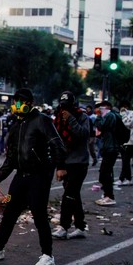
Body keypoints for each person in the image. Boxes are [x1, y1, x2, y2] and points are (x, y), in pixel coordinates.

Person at [0, 88, 67, 265]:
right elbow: (11, 158)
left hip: (39, 177)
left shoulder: (42, 120)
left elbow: (58, 145)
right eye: (15, 101)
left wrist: (60, 166)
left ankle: (48, 256)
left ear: (30, 103)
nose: (17, 104)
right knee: (9, 213)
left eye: (21, 101)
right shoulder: (17, 126)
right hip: (20, 177)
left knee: (39, 215)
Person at [52, 91, 91, 239]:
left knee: (69, 195)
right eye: (63, 107)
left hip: (79, 163)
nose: (64, 110)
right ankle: (80, 226)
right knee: (73, 195)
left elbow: (84, 135)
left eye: (67, 107)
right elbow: (58, 143)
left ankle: (64, 226)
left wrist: (72, 120)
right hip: (66, 162)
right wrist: (59, 166)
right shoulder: (58, 120)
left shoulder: (82, 117)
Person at [93, 100, 119, 206]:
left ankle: (109, 196)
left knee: (105, 173)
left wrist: (99, 116)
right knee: (105, 172)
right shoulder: (110, 116)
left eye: (102, 108)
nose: (100, 110)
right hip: (108, 147)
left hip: (111, 148)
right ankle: (107, 194)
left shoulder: (110, 116)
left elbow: (100, 126)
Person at [116, 101, 133, 187]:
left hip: (131, 141)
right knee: (125, 160)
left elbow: (128, 123)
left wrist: (123, 113)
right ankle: (126, 179)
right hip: (124, 141)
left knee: (125, 160)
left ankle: (124, 179)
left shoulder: (132, 113)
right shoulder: (121, 114)